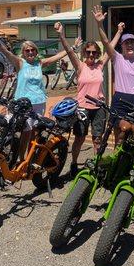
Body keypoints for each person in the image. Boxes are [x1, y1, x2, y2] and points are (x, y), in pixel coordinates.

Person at [0, 27, 82, 156]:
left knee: (34, 132)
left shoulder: (39, 63)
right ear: (23, 52)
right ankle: (20, 159)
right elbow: (5, 51)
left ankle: (29, 159)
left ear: (36, 51)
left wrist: (73, 48)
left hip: (39, 103)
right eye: (27, 50)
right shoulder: (20, 62)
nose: (30, 52)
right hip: (23, 104)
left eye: (32, 50)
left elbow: (58, 56)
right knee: (25, 132)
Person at [55, 20, 124, 175]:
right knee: (79, 138)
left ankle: (96, 166)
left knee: (97, 139)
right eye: (88, 52)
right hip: (82, 108)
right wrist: (61, 35)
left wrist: (119, 32)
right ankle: (73, 164)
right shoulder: (80, 66)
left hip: (99, 107)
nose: (91, 54)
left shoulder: (100, 65)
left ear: (97, 53)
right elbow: (68, 50)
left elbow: (110, 47)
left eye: (94, 52)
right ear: (84, 53)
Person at [92, 5, 134, 144]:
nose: (129, 45)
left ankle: (132, 159)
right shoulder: (117, 58)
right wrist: (99, 24)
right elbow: (105, 41)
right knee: (120, 135)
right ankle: (117, 163)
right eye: (126, 43)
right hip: (120, 100)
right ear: (121, 45)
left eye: (132, 43)